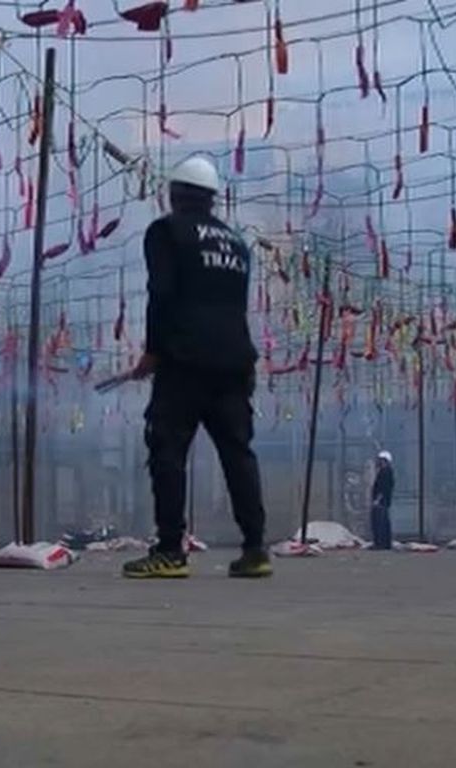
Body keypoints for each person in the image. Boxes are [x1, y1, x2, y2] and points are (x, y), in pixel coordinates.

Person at [121, 156, 271, 580]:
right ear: (211, 198)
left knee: (167, 452)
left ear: (175, 194)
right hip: (236, 362)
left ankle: (170, 550)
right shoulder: (235, 242)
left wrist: (153, 352)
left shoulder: (167, 231)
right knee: (238, 454)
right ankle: (255, 549)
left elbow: (161, 293)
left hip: (185, 360)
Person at [370, 450, 395, 551]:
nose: (378, 462)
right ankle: (384, 544)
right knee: (383, 522)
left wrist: (377, 499)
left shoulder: (385, 472)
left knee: (380, 522)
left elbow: (383, 488)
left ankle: (380, 544)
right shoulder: (386, 471)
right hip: (383, 500)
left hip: (381, 501)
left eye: (381, 460)